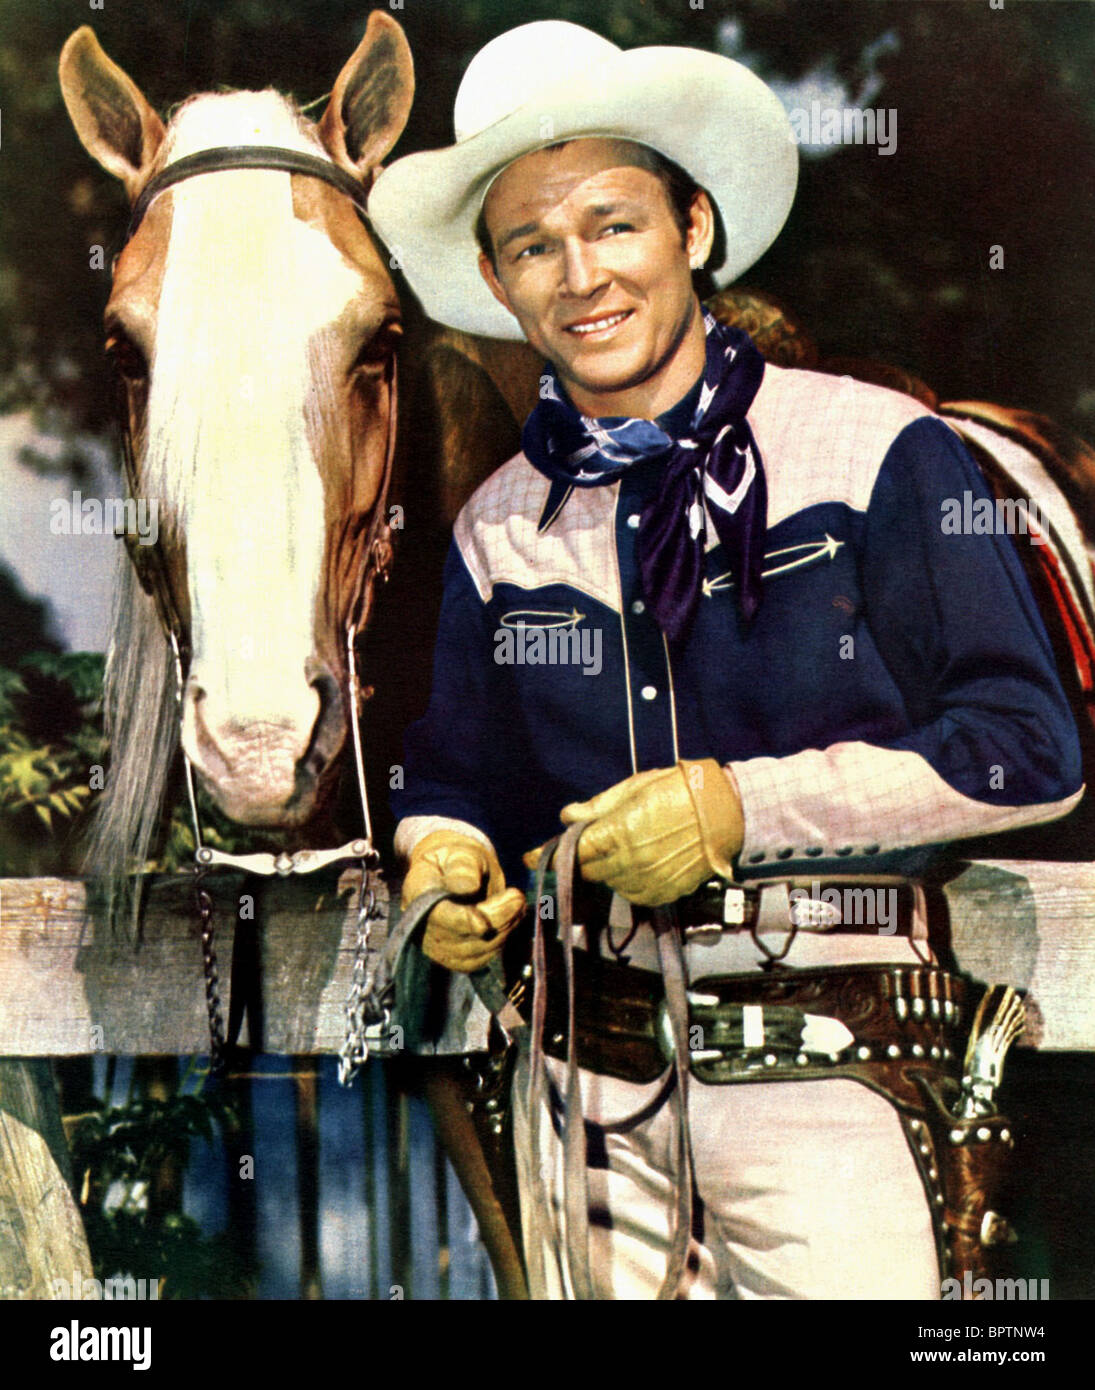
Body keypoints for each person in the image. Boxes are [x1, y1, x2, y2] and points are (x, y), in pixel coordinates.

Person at [368, 20, 1083, 1299]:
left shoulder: (876, 452)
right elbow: (454, 771)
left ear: (692, 228)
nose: (580, 275)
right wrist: (443, 852)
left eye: (615, 225)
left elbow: (1027, 749)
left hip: (832, 1077)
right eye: (534, 245)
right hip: (585, 1099)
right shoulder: (491, 529)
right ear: (496, 278)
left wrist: (740, 806)